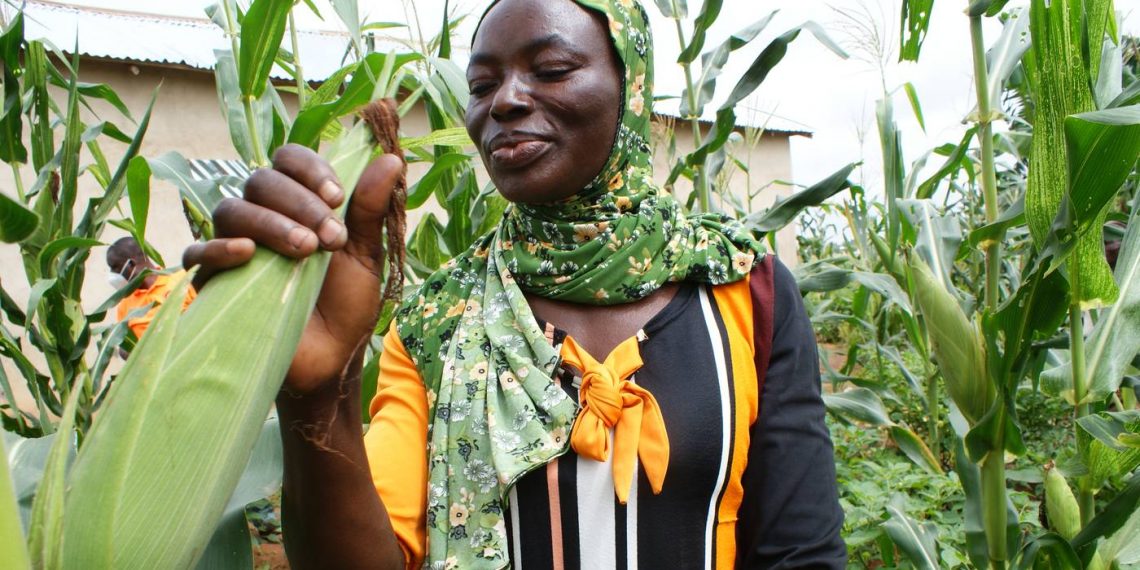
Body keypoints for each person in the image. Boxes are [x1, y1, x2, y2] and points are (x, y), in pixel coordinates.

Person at [183, 0, 846, 567]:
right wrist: (317, 396)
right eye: (480, 85)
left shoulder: (741, 287)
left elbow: (800, 552)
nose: (504, 101)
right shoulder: (439, 319)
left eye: (552, 70)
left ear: (631, 85)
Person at [106, 236, 196, 340]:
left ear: (131, 264)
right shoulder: (124, 306)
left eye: (114, 267)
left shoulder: (184, 279)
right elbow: (126, 346)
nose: (112, 274)